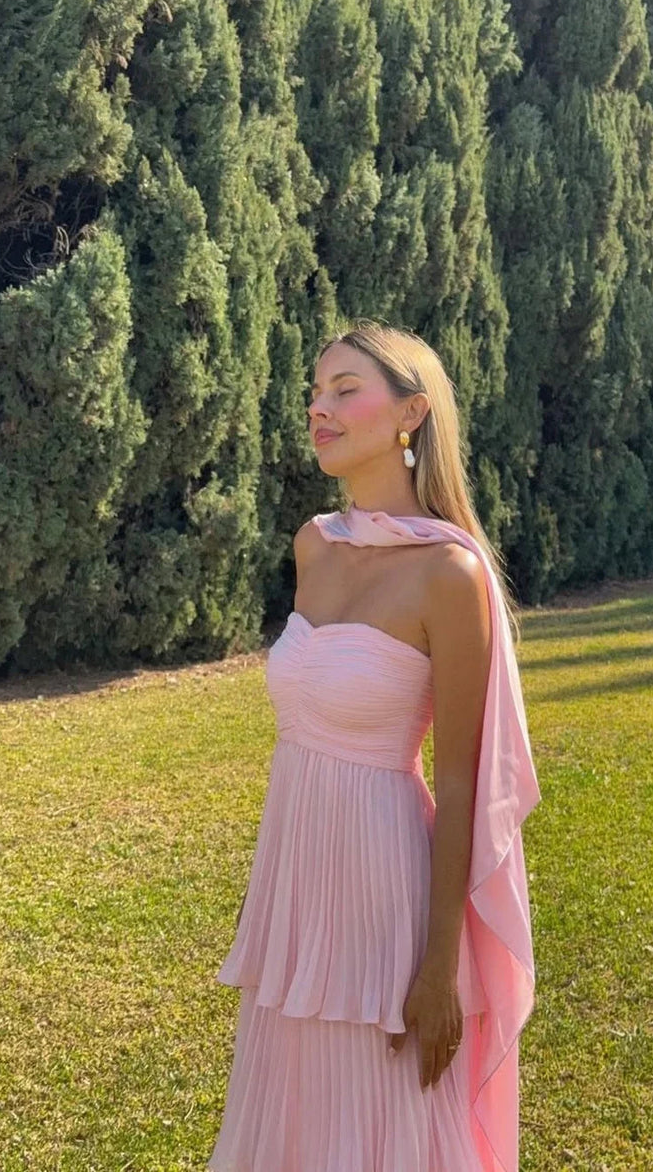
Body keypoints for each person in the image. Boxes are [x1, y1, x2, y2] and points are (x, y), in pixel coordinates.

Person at [207, 322, 541, 1171]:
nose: (319, 409)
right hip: (294, 886)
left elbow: (461, 783)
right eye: (315, 393)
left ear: (410, 413)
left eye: (345, 390)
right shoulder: (315, 545)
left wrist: (438, 968)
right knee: (292, 1117)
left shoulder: (450, 575)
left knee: (387, 1129)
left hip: (385, 897)